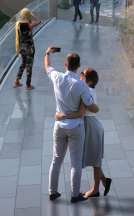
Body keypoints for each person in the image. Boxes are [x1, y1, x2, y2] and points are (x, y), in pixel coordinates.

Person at [45, 47, 99, 204]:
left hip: (59, 126)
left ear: (65, 65)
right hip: (76, 128)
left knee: (56, 160)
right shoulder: (81, 86)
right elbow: (91, 106)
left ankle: (52, 192)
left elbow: (47, 66)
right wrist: (96, 107)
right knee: (75, 162)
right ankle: (75, 195)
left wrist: (47, 53)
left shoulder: (57, 77)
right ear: (79, 66)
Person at [56, 68, 112, 197]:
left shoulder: (86, 92)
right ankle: (104, 181)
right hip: (91, 124)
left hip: (91, 126)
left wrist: (63, 116)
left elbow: (80, 113)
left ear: (88, 80)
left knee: (95, 160)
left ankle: (95, 190)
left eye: (83, 74)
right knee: (93, 158)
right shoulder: (89, 90)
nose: (80, 75)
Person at [13, 9, 41, 90]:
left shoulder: (18, 25)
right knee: (29, 66)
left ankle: (17, 80)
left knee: (23, 63)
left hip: (22, 48)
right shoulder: (30, 25)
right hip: (29, 49)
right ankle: (28, 85)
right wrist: (33, 15)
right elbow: (39, 21)